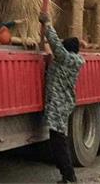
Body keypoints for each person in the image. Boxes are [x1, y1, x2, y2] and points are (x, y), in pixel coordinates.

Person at [40, 12, 85, 183]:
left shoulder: (66, 59)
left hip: (59, 106)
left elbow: (55, 43)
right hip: (62, 104)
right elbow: (54, 47)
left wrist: (47, 23)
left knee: (59, 142)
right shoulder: (71, 60)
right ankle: (66, 175)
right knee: (58, 141)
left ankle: (69, 176)